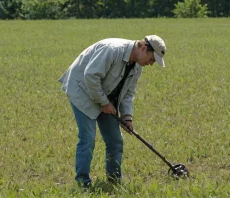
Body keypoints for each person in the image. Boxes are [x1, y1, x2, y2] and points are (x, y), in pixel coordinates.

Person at [58, 35, 166, 187]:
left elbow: (128, 93)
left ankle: (114, 180)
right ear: (143, 49)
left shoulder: (136, 67)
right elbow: (90, 76)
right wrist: (104, 103)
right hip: (82, 90)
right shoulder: (112, 50)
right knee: (87, 138)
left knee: (115, 140)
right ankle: (83, 183)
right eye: (152, 59)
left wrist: (127, 117)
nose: (151, 63)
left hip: (106, 97)